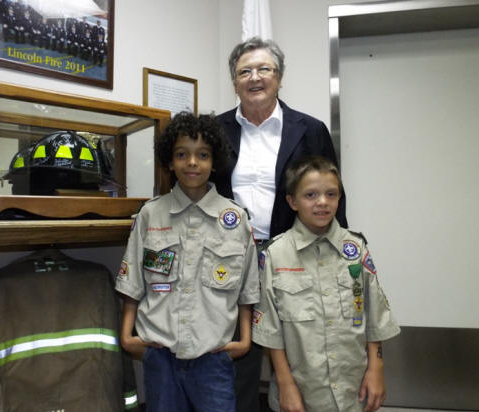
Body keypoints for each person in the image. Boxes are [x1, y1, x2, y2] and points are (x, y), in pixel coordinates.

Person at [214, 36, 348, 412]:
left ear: (280, 77)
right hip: (231, 259)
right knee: (236, 355)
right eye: (245, 71)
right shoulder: (216, 129)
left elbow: (332, 193)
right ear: (234, 81)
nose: (255, 77)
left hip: (293, 256)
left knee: (299, 352)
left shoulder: (310, 129)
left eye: (264, 69)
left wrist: (339, 256)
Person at [115, 112, 260, 412]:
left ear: (214, 161)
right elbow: (132, 283)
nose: (192, 163)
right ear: (170, 161)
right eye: (182, 154)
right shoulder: (151, 214)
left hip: (213, 358)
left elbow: (248, 290)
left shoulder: (235, 219)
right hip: (160, 355)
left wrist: (245, 341)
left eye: (202, 155)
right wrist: (127, 337)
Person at [252, 156, 400, 412]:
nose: (322, 202)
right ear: (292, 202)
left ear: (339, 198)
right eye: (310, 195)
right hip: (302, 392)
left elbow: (375, 314)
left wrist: (376, 369)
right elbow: (270, 329)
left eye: (331, 194)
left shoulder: (356, 248)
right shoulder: (276, 254)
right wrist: (285, 384)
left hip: (353, 390)